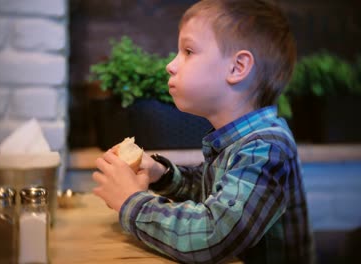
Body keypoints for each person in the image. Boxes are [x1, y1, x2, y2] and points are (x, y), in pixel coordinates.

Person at [92, 0, 315, 263]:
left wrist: (131, 202)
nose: (171, 65)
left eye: (188, 51)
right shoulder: (240, 140)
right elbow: (214, 194)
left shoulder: (266, 148)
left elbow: (212, 235)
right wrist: (160, 175)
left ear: (237, 68)